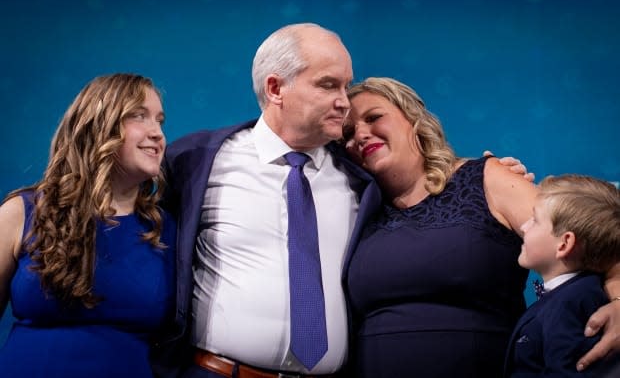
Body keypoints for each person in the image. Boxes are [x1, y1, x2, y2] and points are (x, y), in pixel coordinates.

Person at [156, 23, 530, 378]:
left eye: (345, 85)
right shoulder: (196, 160)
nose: (342, 102)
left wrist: (490, 178)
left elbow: (430, 203)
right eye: (328, 85)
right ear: (275, 88)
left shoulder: (362, 182)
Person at [341, 76, 620, 377]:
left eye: (374, 118)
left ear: (414, 119)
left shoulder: (486, 178)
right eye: (348, 132)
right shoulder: (354, 209)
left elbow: (596, 234)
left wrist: (618, 301)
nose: (361, 135)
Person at [0, 73, 176, 378]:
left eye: (160, 120)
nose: (158, 133)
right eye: (139, 116)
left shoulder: (166, 230)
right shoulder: (23, 212)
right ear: (98, 124)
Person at [504, 174, 620, 377]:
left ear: (564, 244)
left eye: (535, 220)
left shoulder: (574, 303)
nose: (524, 226)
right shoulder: (577, 293)